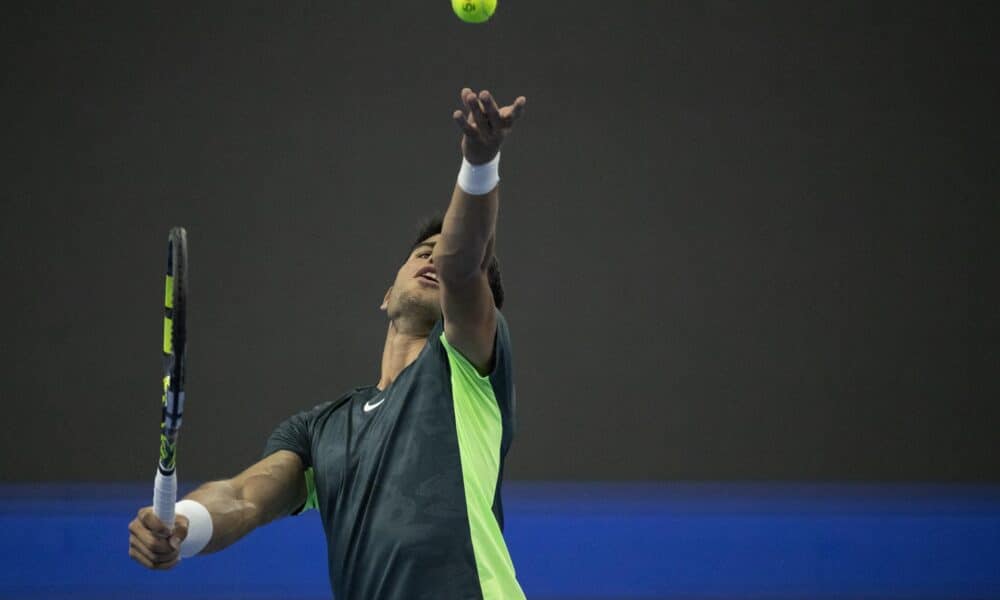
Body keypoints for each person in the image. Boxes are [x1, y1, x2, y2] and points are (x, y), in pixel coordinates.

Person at [128, 87, 528, 600]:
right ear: (386, 296)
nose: (434, 260)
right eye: (420, 253)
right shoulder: (321, 429)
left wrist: (480, 163)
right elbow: (245, 497)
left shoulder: (470, 373)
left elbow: (462, 261)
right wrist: (183, 524)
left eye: (445, 255)